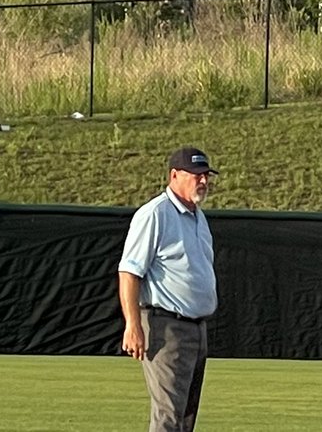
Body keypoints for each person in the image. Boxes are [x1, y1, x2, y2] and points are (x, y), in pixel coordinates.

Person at [118, 146, 218, 432]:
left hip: (196, 328)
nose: (203, 181)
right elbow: (129, 272)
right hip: (166, 326)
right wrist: (133, 326)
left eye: (206, 175)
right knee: (168, 416)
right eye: (196, 175)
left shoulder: (198, 216)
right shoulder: (155, 214)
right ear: (174, 175)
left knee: (186, 416)